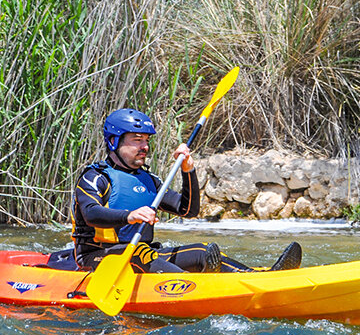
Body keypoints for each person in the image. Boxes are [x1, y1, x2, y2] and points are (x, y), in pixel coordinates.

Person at [70, 108, 302, 274]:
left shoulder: (149, 180)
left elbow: (188, 210)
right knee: (141, 255)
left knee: (202, 251)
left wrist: (187, 170)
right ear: (113, 142)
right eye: (136, 140)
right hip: (98, 255)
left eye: (146, 140)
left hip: (143, 253)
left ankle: (257, 277)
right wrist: (129, 216)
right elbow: (91, 214)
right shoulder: (95, 177)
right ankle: (191, 287)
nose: (144, 147)